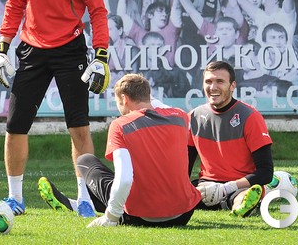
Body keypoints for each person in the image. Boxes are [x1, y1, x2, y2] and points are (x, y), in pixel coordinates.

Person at [0, 0, 109, 217]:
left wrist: (101, 55)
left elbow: (98, 12)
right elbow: (14, 5)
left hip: (70, 49)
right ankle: (15, 198)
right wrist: (2, 48)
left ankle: (85, 198)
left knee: (79, 129)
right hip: (31, 50)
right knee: (14, 127)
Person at [38, 74, 202, 227]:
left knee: (85, 161)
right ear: (148, 96)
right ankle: (83, 204)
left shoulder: (120, 125)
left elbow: (124, 179)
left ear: (124, 99)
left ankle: (96, 207)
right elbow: (159, 108)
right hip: (184, 214)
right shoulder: (180, 116)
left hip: (143, 216)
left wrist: (111, 217)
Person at [188, 61, 274, 217]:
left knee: (238, 197)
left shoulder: (250, 116)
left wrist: (226, 188)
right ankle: (230, 202)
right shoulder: (194, 117)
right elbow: (184, 167)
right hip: (207, 185)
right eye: (208, 81)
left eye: (219, 81)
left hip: (241, 184)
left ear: (232, 85)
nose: (213, 87)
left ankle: (243, 203)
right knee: (182, 195)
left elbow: (266, 172)